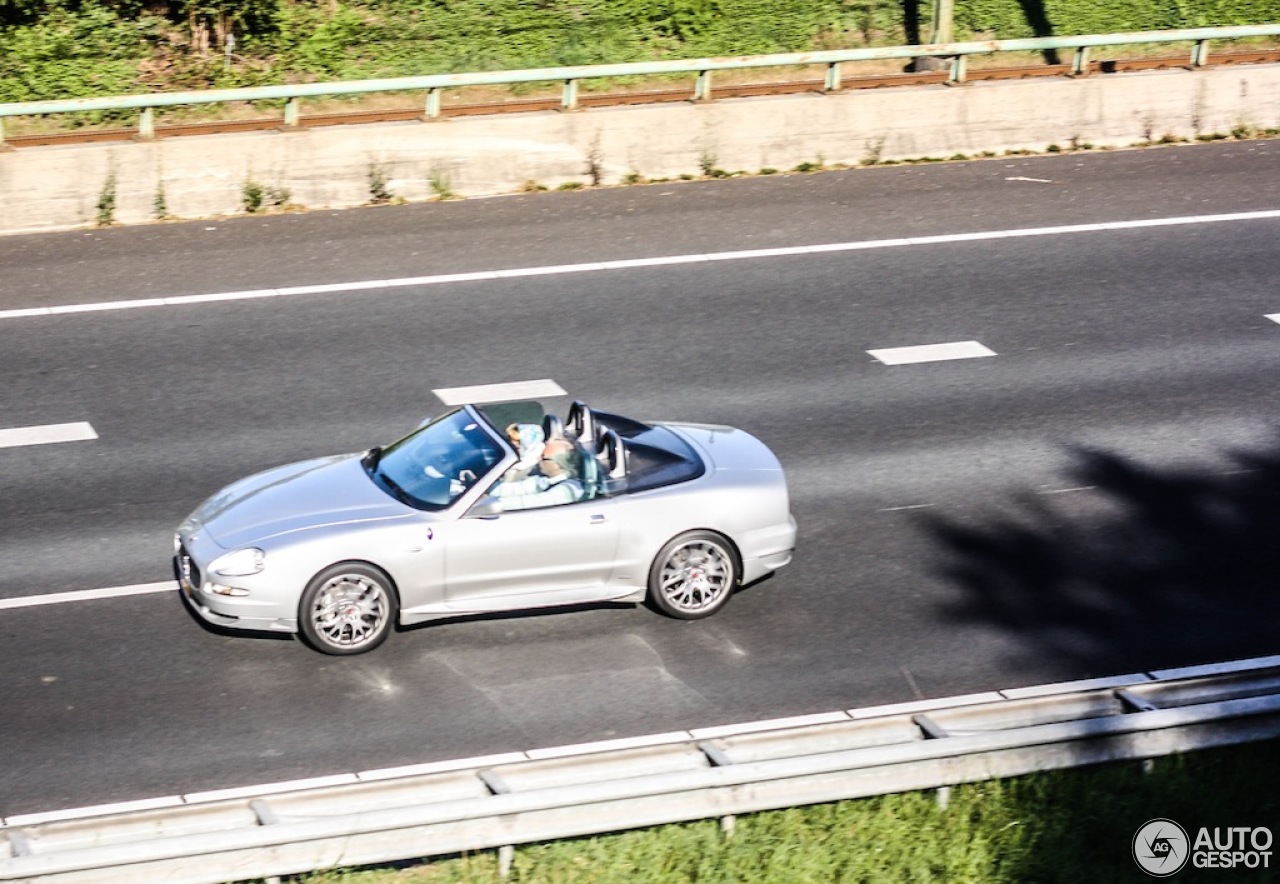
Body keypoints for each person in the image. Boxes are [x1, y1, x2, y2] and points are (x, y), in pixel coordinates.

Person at [491, 437, 585, 510]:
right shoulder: (545, 481)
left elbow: (526, 503)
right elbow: (511, 489)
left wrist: (491, 504)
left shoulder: (566, 490)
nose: (538, 459)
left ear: (557, 464)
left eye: (543, 457)